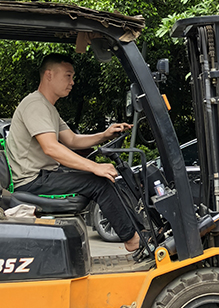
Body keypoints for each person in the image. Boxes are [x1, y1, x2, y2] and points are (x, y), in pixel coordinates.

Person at [6, 52, 140, 252]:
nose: (72, 82)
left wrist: (105, 134)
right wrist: (95, 167)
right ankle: (133, 239)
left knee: (102, 180)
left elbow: (72, 140)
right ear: (49, 75)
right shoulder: (35, 105)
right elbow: (51, 147)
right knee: (99, 183)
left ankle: (138, 232)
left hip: (45, 175)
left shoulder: (48, 108)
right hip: (32, 180)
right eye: (68, 76)